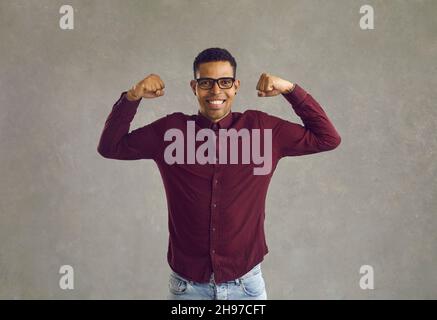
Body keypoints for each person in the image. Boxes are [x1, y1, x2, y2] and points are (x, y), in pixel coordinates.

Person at [97, 47, 341, 300]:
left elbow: (328, 138)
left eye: (224, 82)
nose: (215, 91)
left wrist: (290, 90)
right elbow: (110, 146)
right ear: (194, 87)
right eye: (206, 83)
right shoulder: (170, 132)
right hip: (187, 288)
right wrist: (132, 96)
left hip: (246, 286)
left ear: (236, 86)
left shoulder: (263, 130)